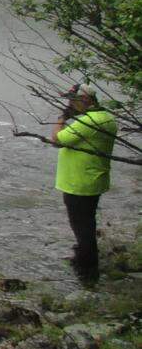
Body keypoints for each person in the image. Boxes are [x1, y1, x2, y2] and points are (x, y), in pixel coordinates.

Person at [51, 84, 118, 281]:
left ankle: (87, 269)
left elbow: (56, 139)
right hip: (94, 179)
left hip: (79, 182)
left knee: (81, 225)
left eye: (73, 100)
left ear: (86, 100)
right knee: (87, 222)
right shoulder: (107, 118)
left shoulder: (89, 122)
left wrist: (62, 118)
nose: (70, 104)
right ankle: (83, 256)